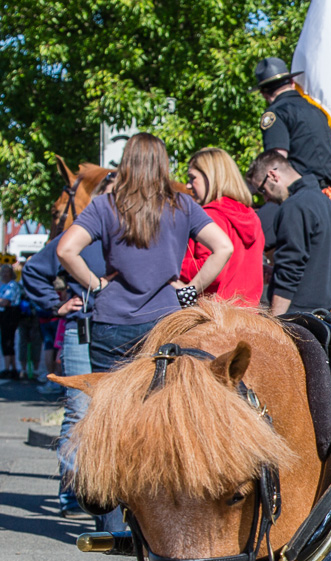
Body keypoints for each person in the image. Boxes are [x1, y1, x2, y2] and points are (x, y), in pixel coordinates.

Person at [55, 132, 233, 372]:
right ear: (162, 165)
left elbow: (66, 250)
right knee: (160, 401)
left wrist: (96, 285)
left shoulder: (104, 205)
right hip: (166, 320)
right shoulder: (182, 205)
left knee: (112, 403)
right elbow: (224, 247)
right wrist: (191, 289)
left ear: (126, 163)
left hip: (112, 321)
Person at [21, 228, 108, 514]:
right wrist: (55, 304)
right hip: (83, 330)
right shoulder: (85, 230)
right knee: (79, 410)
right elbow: (33, 269)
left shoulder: (140, 225)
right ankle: (72, 494)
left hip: (127, 329)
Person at [247, 151, 331, 316]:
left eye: (263, 190)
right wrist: (275, 271)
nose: (266, 199)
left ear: (273, 176)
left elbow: (290, 267)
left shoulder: (294, 206)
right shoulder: (327, 204)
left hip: (295, 316)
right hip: (323, 314)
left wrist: (276, 321)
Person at [181, 147, 265, 306]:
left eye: (193, 178)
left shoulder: (210, 216)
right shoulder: (250, 214)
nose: (188, 185)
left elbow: (211, 269)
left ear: (210, 177)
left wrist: (174, 265)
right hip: (249, 316)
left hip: (216, 318)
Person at [254, 57, 331, 187]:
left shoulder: (275, 113)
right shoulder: (317, 109)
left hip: (303, 190)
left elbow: (277, 161)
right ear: (292, 82)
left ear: (264, 94)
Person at [0, 264, 23, 378]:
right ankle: (11, 367)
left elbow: (5, 302)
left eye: (7, 271)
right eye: (3, 271)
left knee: (8, 340)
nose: (4, 274)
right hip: (3, 314)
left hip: (10, 314)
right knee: (5, 341)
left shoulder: (12, 285)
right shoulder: (1, 284)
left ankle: (8, 368)